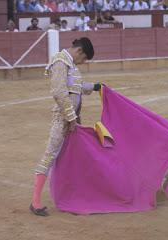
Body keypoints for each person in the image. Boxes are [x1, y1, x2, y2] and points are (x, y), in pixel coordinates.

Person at [29, 37, 101, 216]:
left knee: (73, 157)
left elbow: (75, 87)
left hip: (72, 120)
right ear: (80, 51)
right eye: (84, 59)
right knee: (50, 155)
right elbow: (59, 92)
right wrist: (70, 118)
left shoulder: (70, 64)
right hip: (62, 120)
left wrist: (96, 86)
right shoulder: (60, 61)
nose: (83, 62)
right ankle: (35, 202)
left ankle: (73, 195)